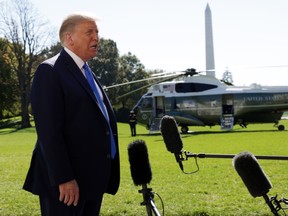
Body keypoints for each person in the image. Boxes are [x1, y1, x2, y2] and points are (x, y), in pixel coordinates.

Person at [23, 12, 120, 216]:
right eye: (89, 32)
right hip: (66, 186)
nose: (96, 37)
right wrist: (64, 178)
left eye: (97, 32)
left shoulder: (87, 73)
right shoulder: (50, 71)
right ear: (69, 38)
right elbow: (49, 133)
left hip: (92, 180)